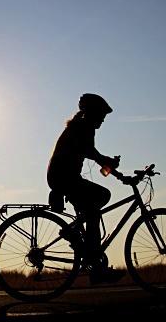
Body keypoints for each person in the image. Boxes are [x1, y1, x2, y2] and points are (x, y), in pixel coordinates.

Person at [46, 93, 126, 285]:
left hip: (63, 176)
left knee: (92, 210)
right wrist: (108, 162)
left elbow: (88, 153)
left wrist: (118, 174)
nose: (103, 120)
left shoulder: (79, 125)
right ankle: (87, 251)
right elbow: (88, 151)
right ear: (92, 113)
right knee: (101, 197)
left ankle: (92, 261)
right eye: (102, 116)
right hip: (64, 176)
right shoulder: (85, 126)